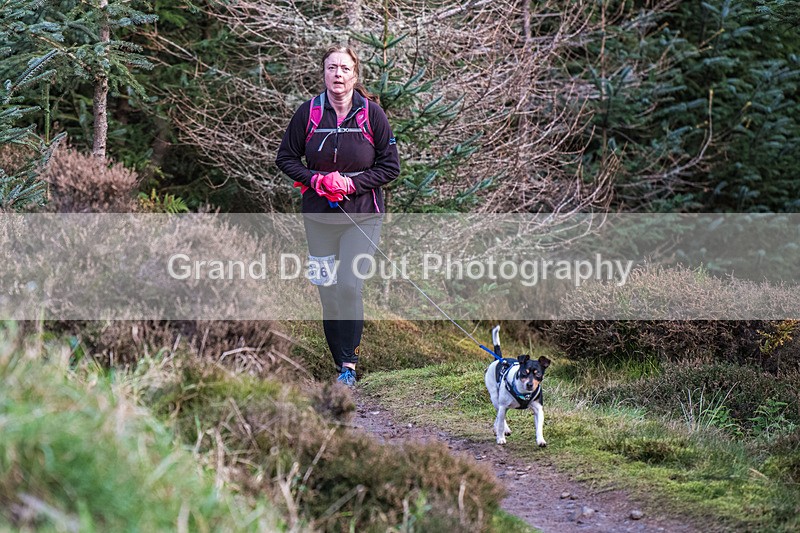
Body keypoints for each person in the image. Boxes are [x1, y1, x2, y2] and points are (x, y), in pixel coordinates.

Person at [276, 45, 400, 386]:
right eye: (332, 68)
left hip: (363, 215)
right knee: (327, 291)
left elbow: (391, 166)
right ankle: (339, 365)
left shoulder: (371, 114)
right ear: (324, 73)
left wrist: (351, 183)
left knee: (349, 285)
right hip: (318, 219)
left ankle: (350, 365)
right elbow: (285, 159)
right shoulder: (309, 112)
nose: (338, 75)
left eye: (345, 68)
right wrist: (315, 179)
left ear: (354, 75)